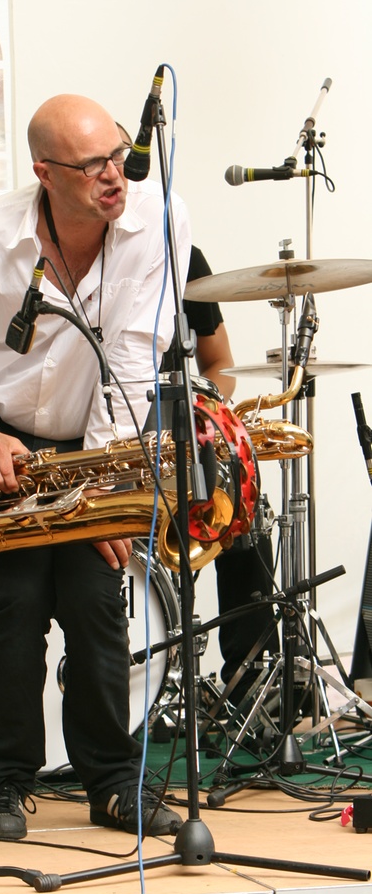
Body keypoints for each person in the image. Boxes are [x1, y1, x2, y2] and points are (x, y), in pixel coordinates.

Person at [0, 93, 191, 841]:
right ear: (44, 171)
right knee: (16, 613)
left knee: (100, 607)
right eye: (92, 164)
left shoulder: (156, 219)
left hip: (96, 442)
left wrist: (100, 481)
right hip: (6, 442)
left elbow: (136, 356)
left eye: (118, 154)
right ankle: (4, 783)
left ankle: (112, 784)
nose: (115, 175)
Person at [180, 246, 280, 704]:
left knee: (243, 509)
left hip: (172, 430)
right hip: (98, 441)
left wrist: (197, 414)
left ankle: (252, 687)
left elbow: (219, 362)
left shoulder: (181, 254)